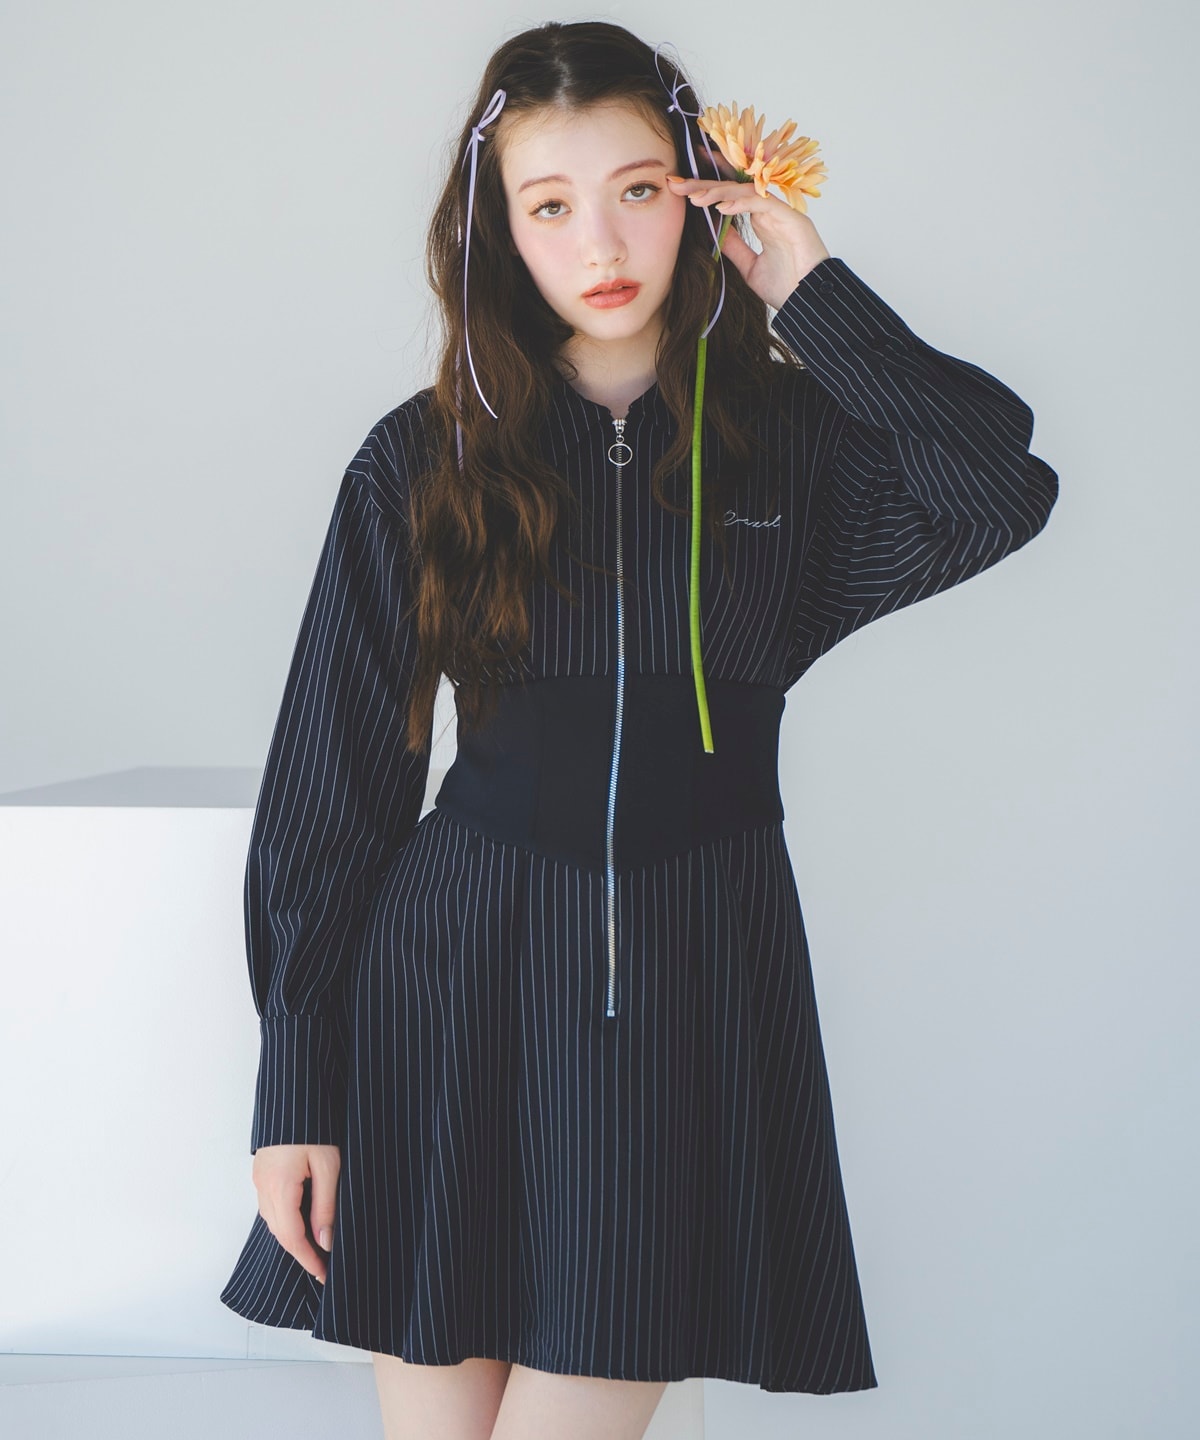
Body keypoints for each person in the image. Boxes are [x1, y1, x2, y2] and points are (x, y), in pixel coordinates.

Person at [219, 19, 1058, 1440]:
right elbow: (334, 781)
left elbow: (996, 486)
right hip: (447, 986)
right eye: (549, 206)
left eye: (639, 190)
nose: (600, 242)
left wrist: (813, 294)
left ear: (701, 192)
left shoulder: (791, 441)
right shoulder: (424, 456)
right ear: (499, 231)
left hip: (683, 977)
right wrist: (297, 1084)